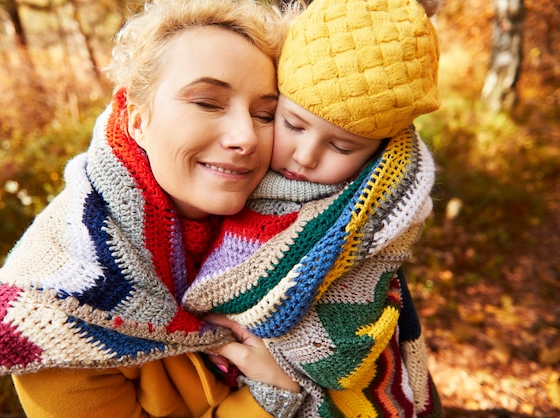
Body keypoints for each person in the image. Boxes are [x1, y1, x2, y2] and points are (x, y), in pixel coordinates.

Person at [0, 0, 306, 416]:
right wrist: (268, 398)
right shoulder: (62, 306)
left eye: (265, 114)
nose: (246, 137)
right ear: (137, 120)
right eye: (207, 102)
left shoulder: (303, 218)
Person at [182, 0, 444, 416]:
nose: (305, 156)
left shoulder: (364, 219)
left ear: (379, 151)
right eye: (292, 125)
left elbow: (346, 352)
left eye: (341, 146)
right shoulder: (233, 169)